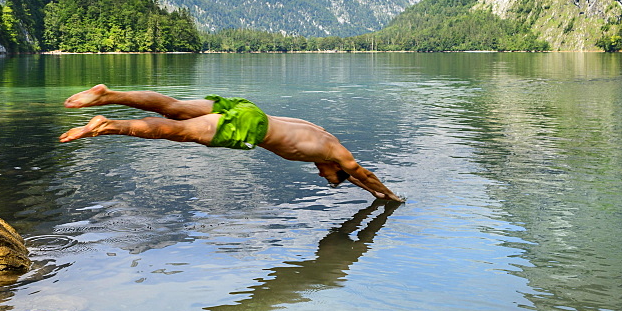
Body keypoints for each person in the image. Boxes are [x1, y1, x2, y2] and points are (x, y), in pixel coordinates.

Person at [59, 86, 404, 202]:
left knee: (174, 107)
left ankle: (108, 96)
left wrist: (368, 192)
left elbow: (357, 177)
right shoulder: (335, 155)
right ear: (336, 168)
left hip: (249, 110)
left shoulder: (323, 135)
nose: (321, 175)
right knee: (177, 132)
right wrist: (388, 194)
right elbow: (362, 172)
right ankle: (108, 126)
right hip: (248, 127)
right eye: (328, 177)